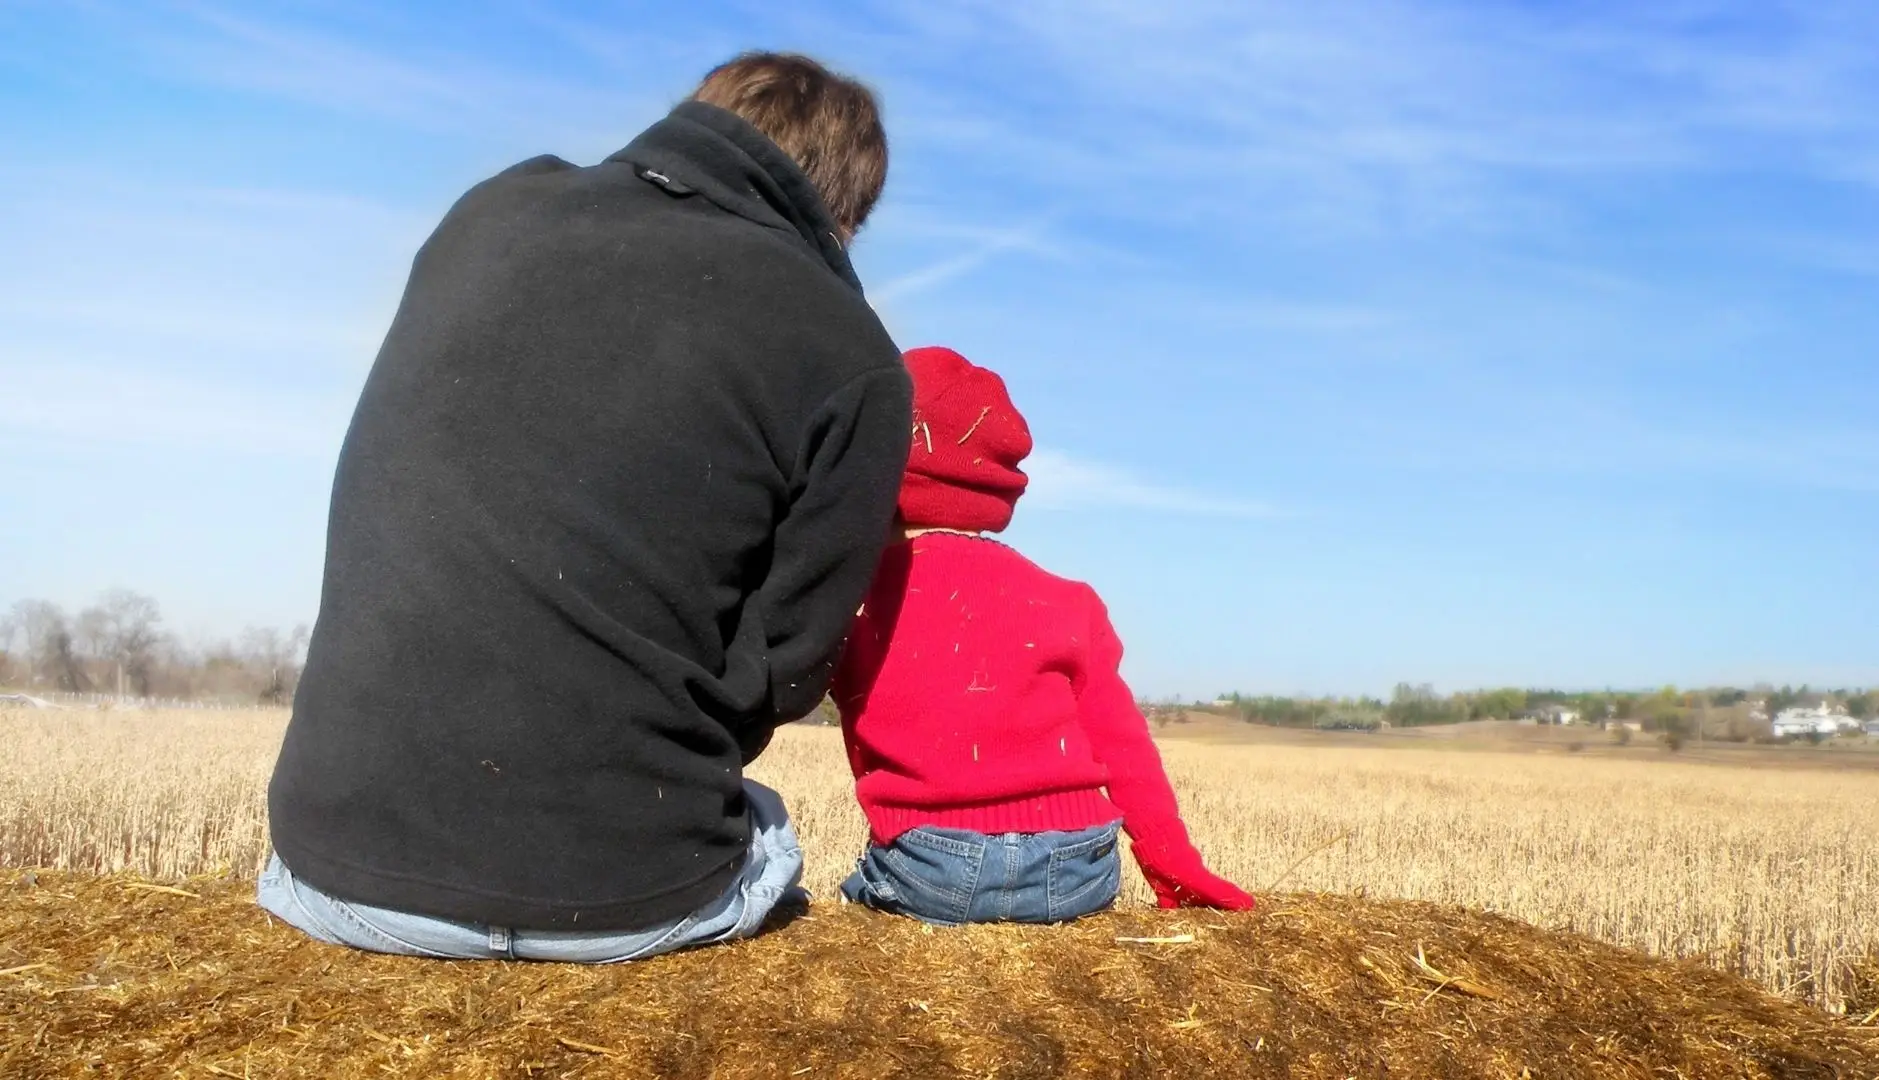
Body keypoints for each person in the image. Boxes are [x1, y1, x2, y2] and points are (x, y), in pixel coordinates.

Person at [258, 52, 912, 962]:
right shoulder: (855, 355)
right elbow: (787, 669)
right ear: (843, 216)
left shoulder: (491, 210)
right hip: (619, 898)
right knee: (767, 827)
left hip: (324, 871)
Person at [829, 346, 1255, 925]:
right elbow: (1123, 745)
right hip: (1082, 864)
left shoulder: (856, 601)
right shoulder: (1069, 601)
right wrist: (1173, 862)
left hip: (935, 865)